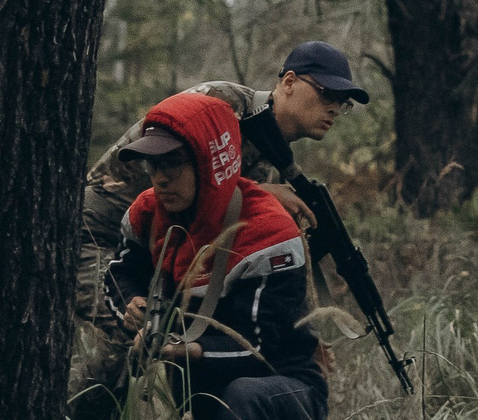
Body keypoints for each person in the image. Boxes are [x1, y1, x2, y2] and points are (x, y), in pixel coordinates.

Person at [101, 91, 328, 420]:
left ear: (211, 164)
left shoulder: (269, 235)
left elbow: (264, 350)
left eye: (174, 165)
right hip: (205, 402)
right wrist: (132, 303)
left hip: (284, 395)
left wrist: (189, 350)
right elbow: (121, 269)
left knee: (244, 398)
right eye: (152, 166)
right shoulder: (150, 212)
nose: (160, 179)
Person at [76, 41, 369, 328]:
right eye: (326, 94)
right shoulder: (220, 102)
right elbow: (165, 157)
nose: (334, 108)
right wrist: (257, 194)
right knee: (141, 329)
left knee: (174, 335)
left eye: (343, 103)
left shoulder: (276, 163)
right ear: (289, 82)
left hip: (151, 248)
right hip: (95, 232)